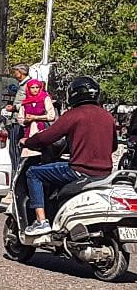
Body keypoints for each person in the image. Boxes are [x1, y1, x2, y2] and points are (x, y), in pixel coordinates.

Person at [19, 77, 115, 236]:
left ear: (73, 95)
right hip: (105, 174)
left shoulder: (73, 115)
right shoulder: (107, 116)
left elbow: (47, 137)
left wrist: (27, 141)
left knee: (33, 172)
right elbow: (114, 146)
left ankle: (41, 222)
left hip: (78, 171)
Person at [17, 79, 56, 159]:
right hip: (28, 132)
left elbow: (51, 116)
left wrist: (36, 117)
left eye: (37, 87)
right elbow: (20, 119)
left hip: (42, 130)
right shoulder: (26, 101)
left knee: (43, 155)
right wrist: (26, 120)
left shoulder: (45, 98)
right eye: (32, 88)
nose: (35, 90)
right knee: (29, 157)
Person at [5, 64, 32, 170]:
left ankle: (17, 170)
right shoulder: (22, 85)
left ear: (21, 73)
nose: (14, 74)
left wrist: (14, 108)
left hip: (21, 121)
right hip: (16, 120)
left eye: (15, 71)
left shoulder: (29, 85)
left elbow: (30, 102)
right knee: (13, 149)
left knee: (16, 148)